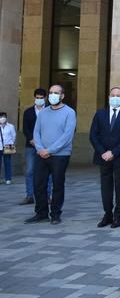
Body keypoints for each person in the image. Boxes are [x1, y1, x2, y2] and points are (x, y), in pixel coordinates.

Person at [25, 84, 77, 225]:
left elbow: (67, 136)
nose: (53, 95)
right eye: (51, 92)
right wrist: (41, 149)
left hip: (60, 155)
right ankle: (41, 213)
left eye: (56, 93)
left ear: (62, 96)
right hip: (41, 154)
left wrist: (50, 150)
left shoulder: (69, 112)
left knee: (58, 185)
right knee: (38, 184)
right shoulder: (43, 112)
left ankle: (55, 214)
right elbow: (36, 132)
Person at [89, 87, 120, 228]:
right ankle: (107, 214)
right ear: (109, 96)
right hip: (103, 157)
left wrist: (113, 152)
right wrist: (103, 152)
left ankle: (118, 215)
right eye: (113, 95)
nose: (115, 97)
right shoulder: (100, 114)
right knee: (106, 188)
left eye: (118, 95)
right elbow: (93, 135)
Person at [20, 89, 51, 204]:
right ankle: (29, 195)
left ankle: (47, 195)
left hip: (46, 146)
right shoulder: (28, 112)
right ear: (34, 98)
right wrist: (32, 139)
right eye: (37, 98)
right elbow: (25, 128)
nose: (39, 100)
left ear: (45, 98)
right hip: (31, 145)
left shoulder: (49, 110)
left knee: (48, 171)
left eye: (41, 98)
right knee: (29, 170)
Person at [0, 112, 17, 185]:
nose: (2, 118)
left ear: (6, 118)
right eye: (1, 117)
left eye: (3, 117)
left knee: (7, 163)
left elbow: (13, 136)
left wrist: (11, 144)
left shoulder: (10, 126)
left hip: (8, 146)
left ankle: (8, 178)